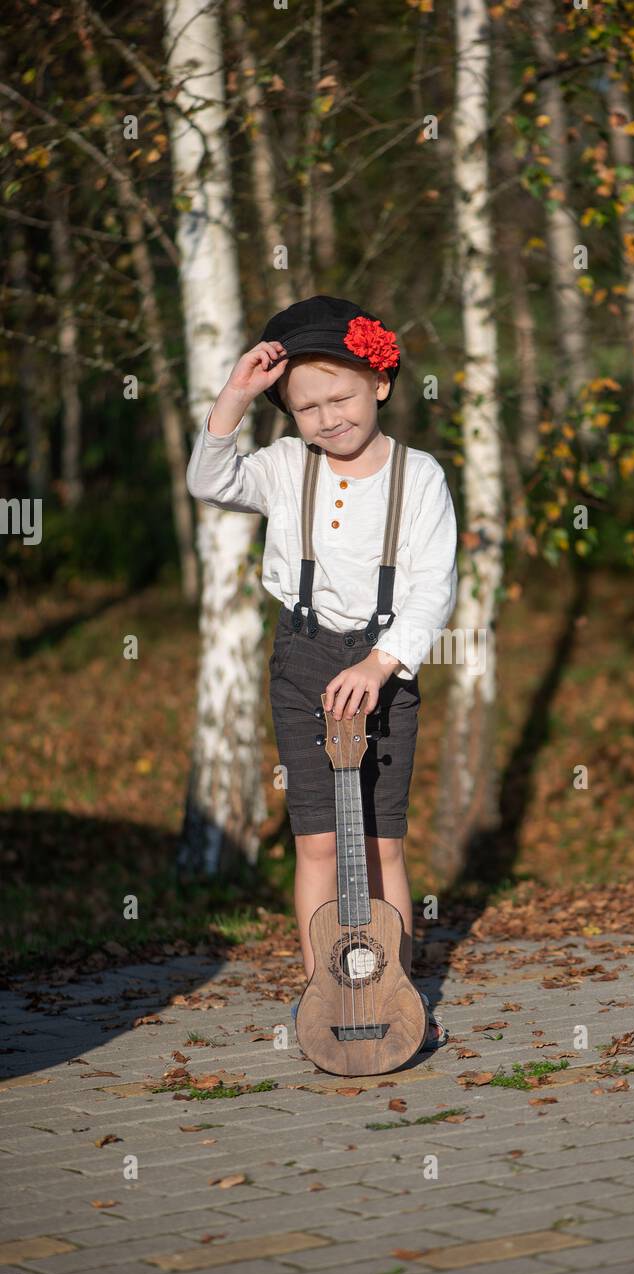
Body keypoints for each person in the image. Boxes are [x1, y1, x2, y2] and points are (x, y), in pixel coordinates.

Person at [186, 295, 457, 1051]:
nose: (327, 417)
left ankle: (396, 992)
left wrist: (380, 663)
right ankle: (326, 992)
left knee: (378, 844)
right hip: (303, 661)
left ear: (379, 383)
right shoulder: (282, 467)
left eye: (340, 397)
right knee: (314, 841)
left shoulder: (420, 477)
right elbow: (208, 481)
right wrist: (236, 396)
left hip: (383, 664)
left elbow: (434, 586)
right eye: (306, 407)